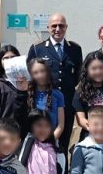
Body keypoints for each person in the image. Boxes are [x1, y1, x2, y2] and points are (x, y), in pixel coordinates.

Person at [26, 13, 83, 152]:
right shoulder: (37, 48)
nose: (58, 29)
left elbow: (78, 76)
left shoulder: (75, 49)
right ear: (48, 28)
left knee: (63, 143)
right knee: (39, 143)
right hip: (43, 103)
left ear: (66, 27)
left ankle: (61, 173)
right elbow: (30, 74)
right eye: (54, 26)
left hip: (67, 104)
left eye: (61, 26)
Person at [72, 51, 103, 138]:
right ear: (87, 70)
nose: (98, 71)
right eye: (94, 68)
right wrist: (99, 131)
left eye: (101, 68)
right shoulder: (80, 91)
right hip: (90, 135)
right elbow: (81, 120)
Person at [0, 45, 28, 125]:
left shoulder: (28, 83)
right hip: (2, 134)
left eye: (13, 57)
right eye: (6, 58)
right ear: (0, 62)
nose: (10, 61)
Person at [27, 58, 65, 142]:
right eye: (35, 72)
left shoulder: (58, 95)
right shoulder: (27, 94)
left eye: (42, 71)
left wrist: (51, 141)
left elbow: (60, 125)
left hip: (51, 141)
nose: (40, 75)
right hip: (31, 142)